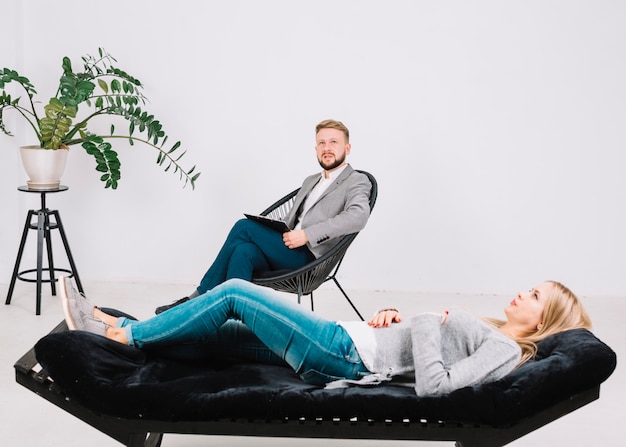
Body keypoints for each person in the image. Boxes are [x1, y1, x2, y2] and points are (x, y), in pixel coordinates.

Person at [59, 276, 592, 396]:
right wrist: (399, 318)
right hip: (353, 340)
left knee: (235, 294)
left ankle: (124, 336)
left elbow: (435, 387)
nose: (522, 294)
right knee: (220, 334)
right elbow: (419, 350)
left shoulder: (504, 350)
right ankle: (112, 330)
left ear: (542, 322)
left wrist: (426, 319)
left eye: (534, 296)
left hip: (342, 353)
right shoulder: (497, 335)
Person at [155, 119, 372, 314]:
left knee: (244, 227)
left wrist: (307, 235)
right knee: (243, 251)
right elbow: (291, 221)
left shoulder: (356, 180)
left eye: (333, 142)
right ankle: (231, 319)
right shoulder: (310, 180)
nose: (327, 148)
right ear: (315, 149)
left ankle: (197, 299)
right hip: (286, 248)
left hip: (309, 259)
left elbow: (358, 216)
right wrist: (274, 228)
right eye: (322, 143)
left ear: (347, 147)